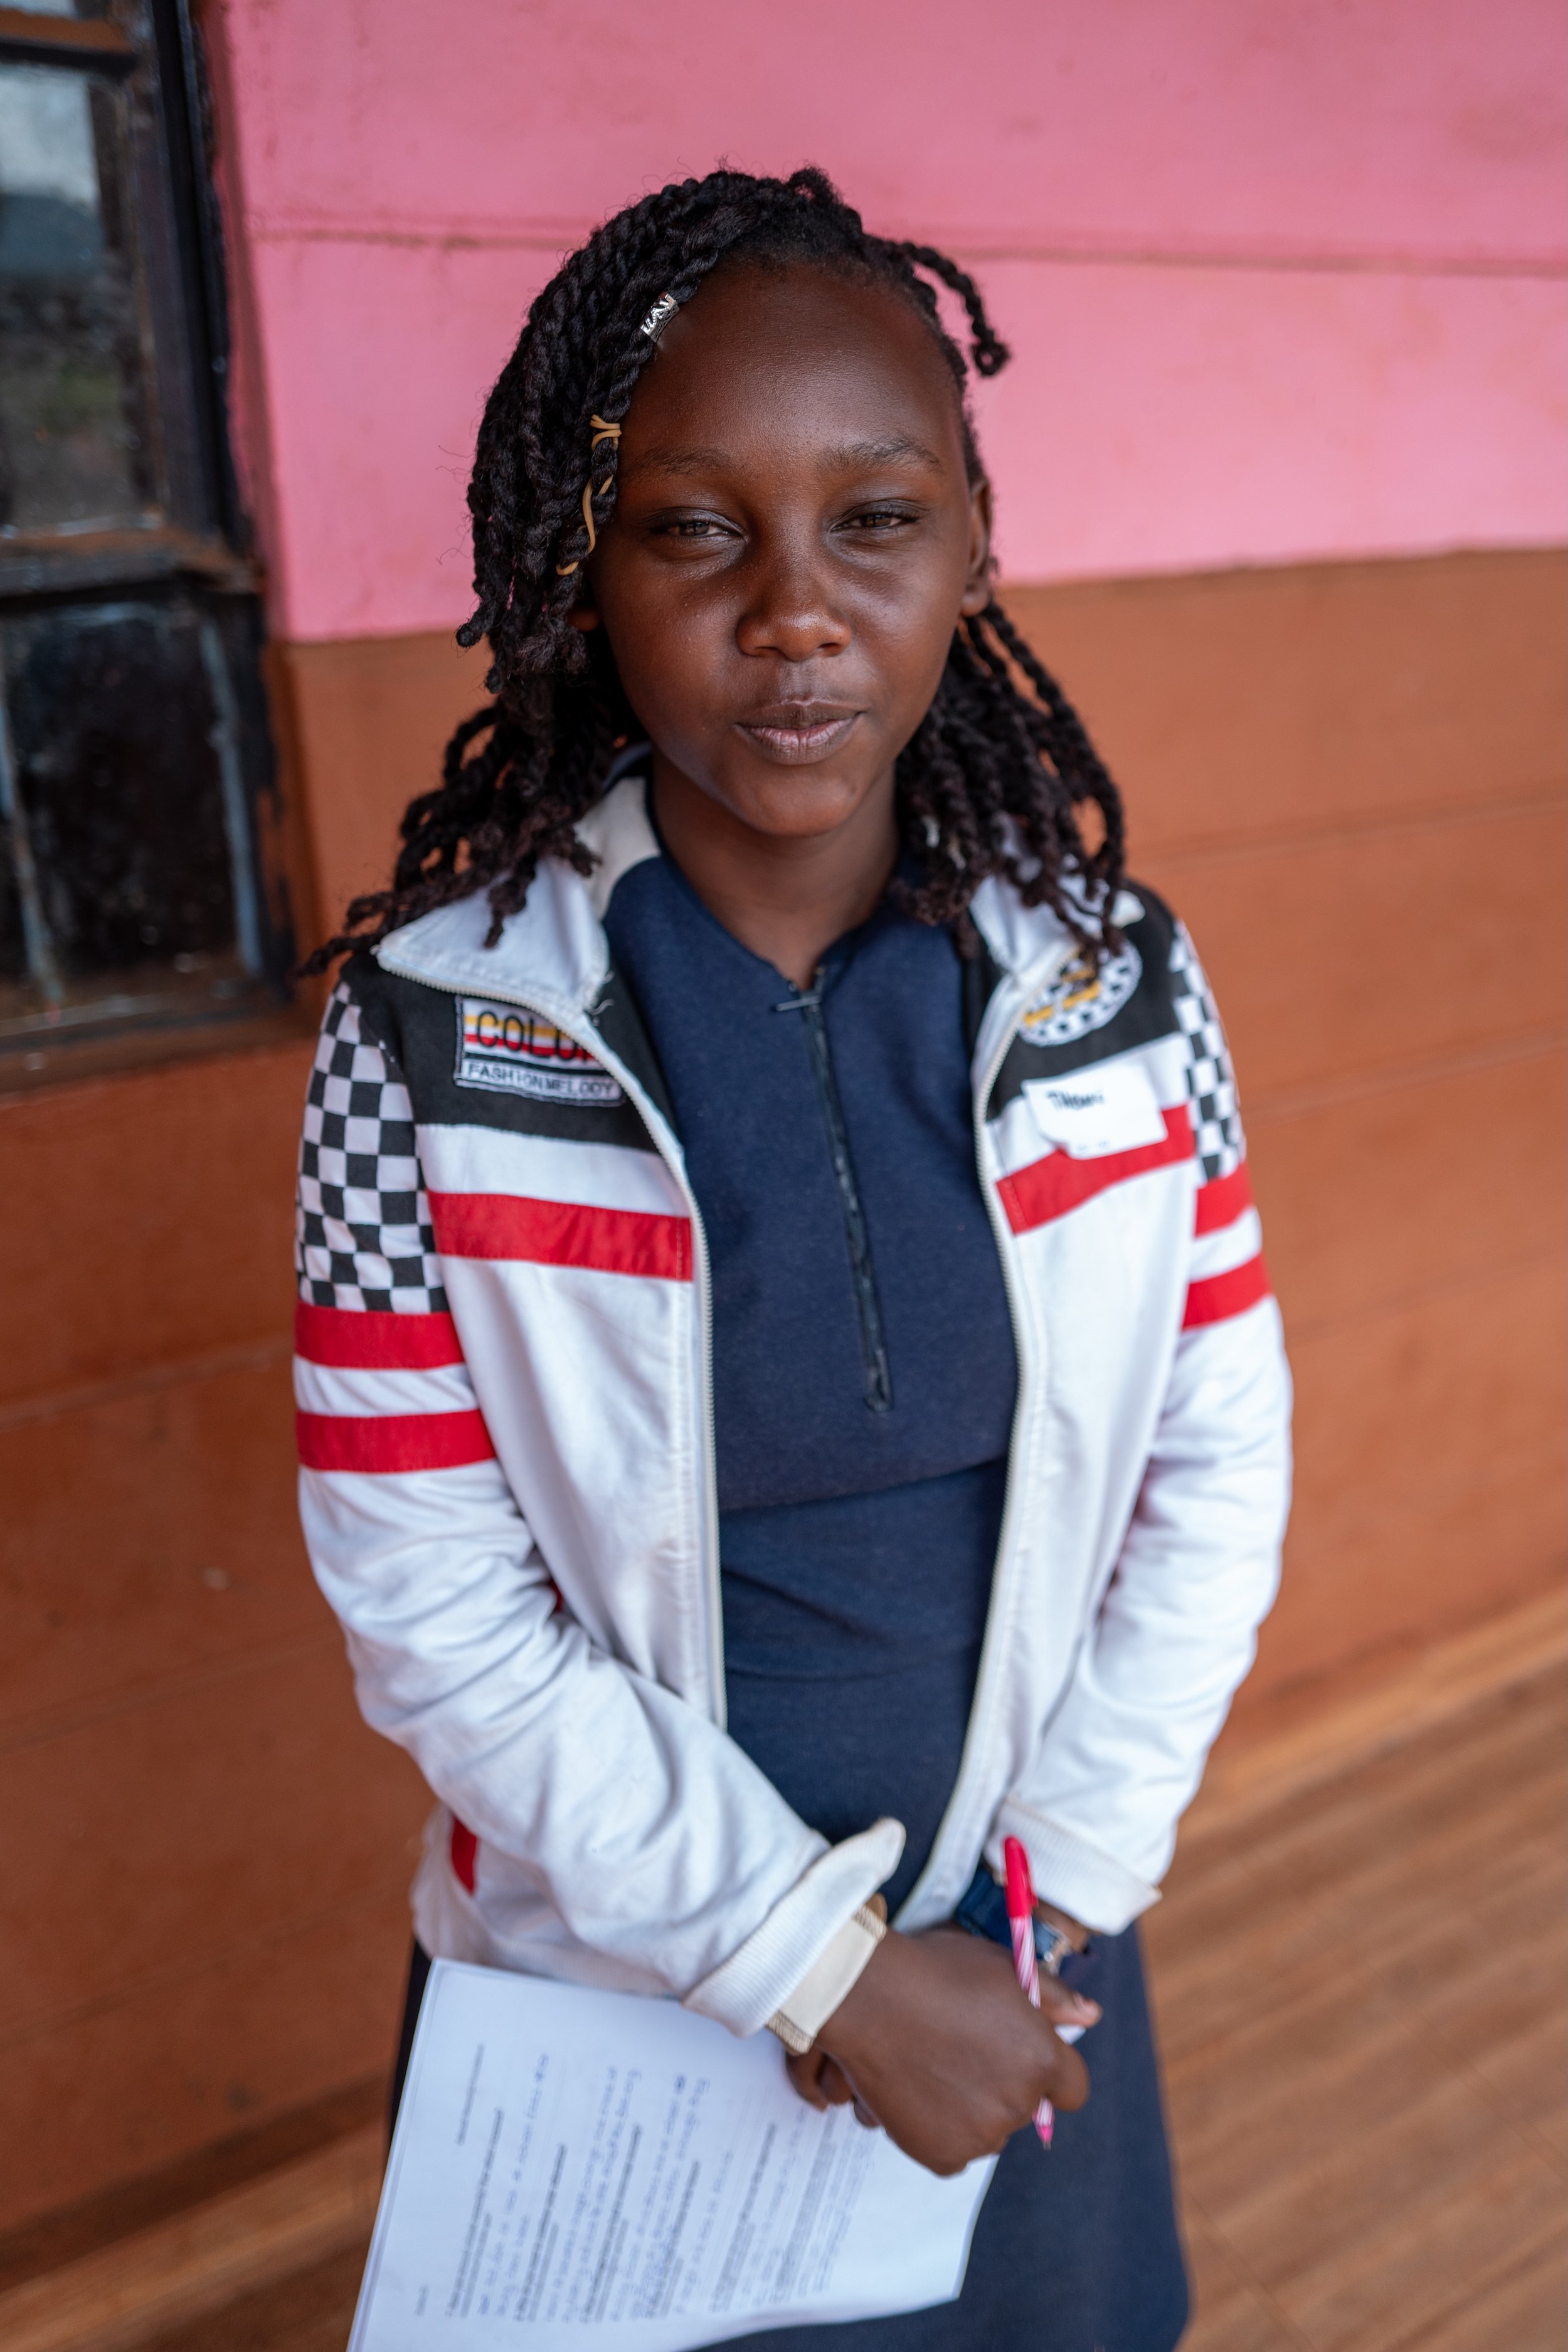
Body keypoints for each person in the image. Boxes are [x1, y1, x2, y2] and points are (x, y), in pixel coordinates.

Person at [293, 166, 1291, 2348]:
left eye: (873, 517)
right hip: (615, 1995)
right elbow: (429, 1603)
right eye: (694, 529)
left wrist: (1047, 1908)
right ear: (589, 574)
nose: (795, 613)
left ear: (968, 550)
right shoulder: (436, 1040)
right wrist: (822, 1971)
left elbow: (1216, 1466)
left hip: (1018, 1951)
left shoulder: (1118, 995)